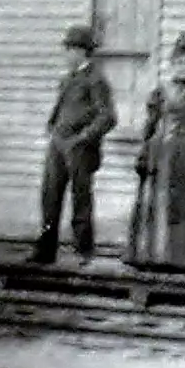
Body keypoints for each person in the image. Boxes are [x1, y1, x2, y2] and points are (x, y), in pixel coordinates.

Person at [125, 32, 185, 273]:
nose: (183, 68)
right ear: (171, 65)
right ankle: (152, 256)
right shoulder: (160, 93)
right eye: (179, 63)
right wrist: (144, 153)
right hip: (162, 154)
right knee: (159, 204)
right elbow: (149, 127)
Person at [27, 23, 117, 267]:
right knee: (49, 197)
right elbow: (60, 108)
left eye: (70, 49)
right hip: (58, 144)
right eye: (66, 49)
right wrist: (52, 127)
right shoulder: (67, 79)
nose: (66, 54)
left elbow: (108, 117)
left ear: (82, 52)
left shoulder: (96, 80)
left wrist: (84, 138)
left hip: (80, 148)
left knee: (81, 199)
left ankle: (83, 251)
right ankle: (45, 250)